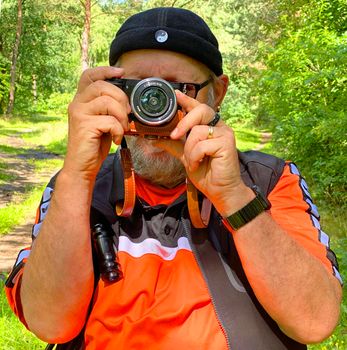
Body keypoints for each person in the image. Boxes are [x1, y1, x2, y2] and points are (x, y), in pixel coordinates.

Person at [5, 7, 342, 350]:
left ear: (218, 92)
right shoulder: (80, 187)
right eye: (137, 88)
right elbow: (49, 323)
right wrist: (78, 175)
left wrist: (233, 196)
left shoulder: (267, 180)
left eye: (178, 88)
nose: (154, 105)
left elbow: (314, 322)